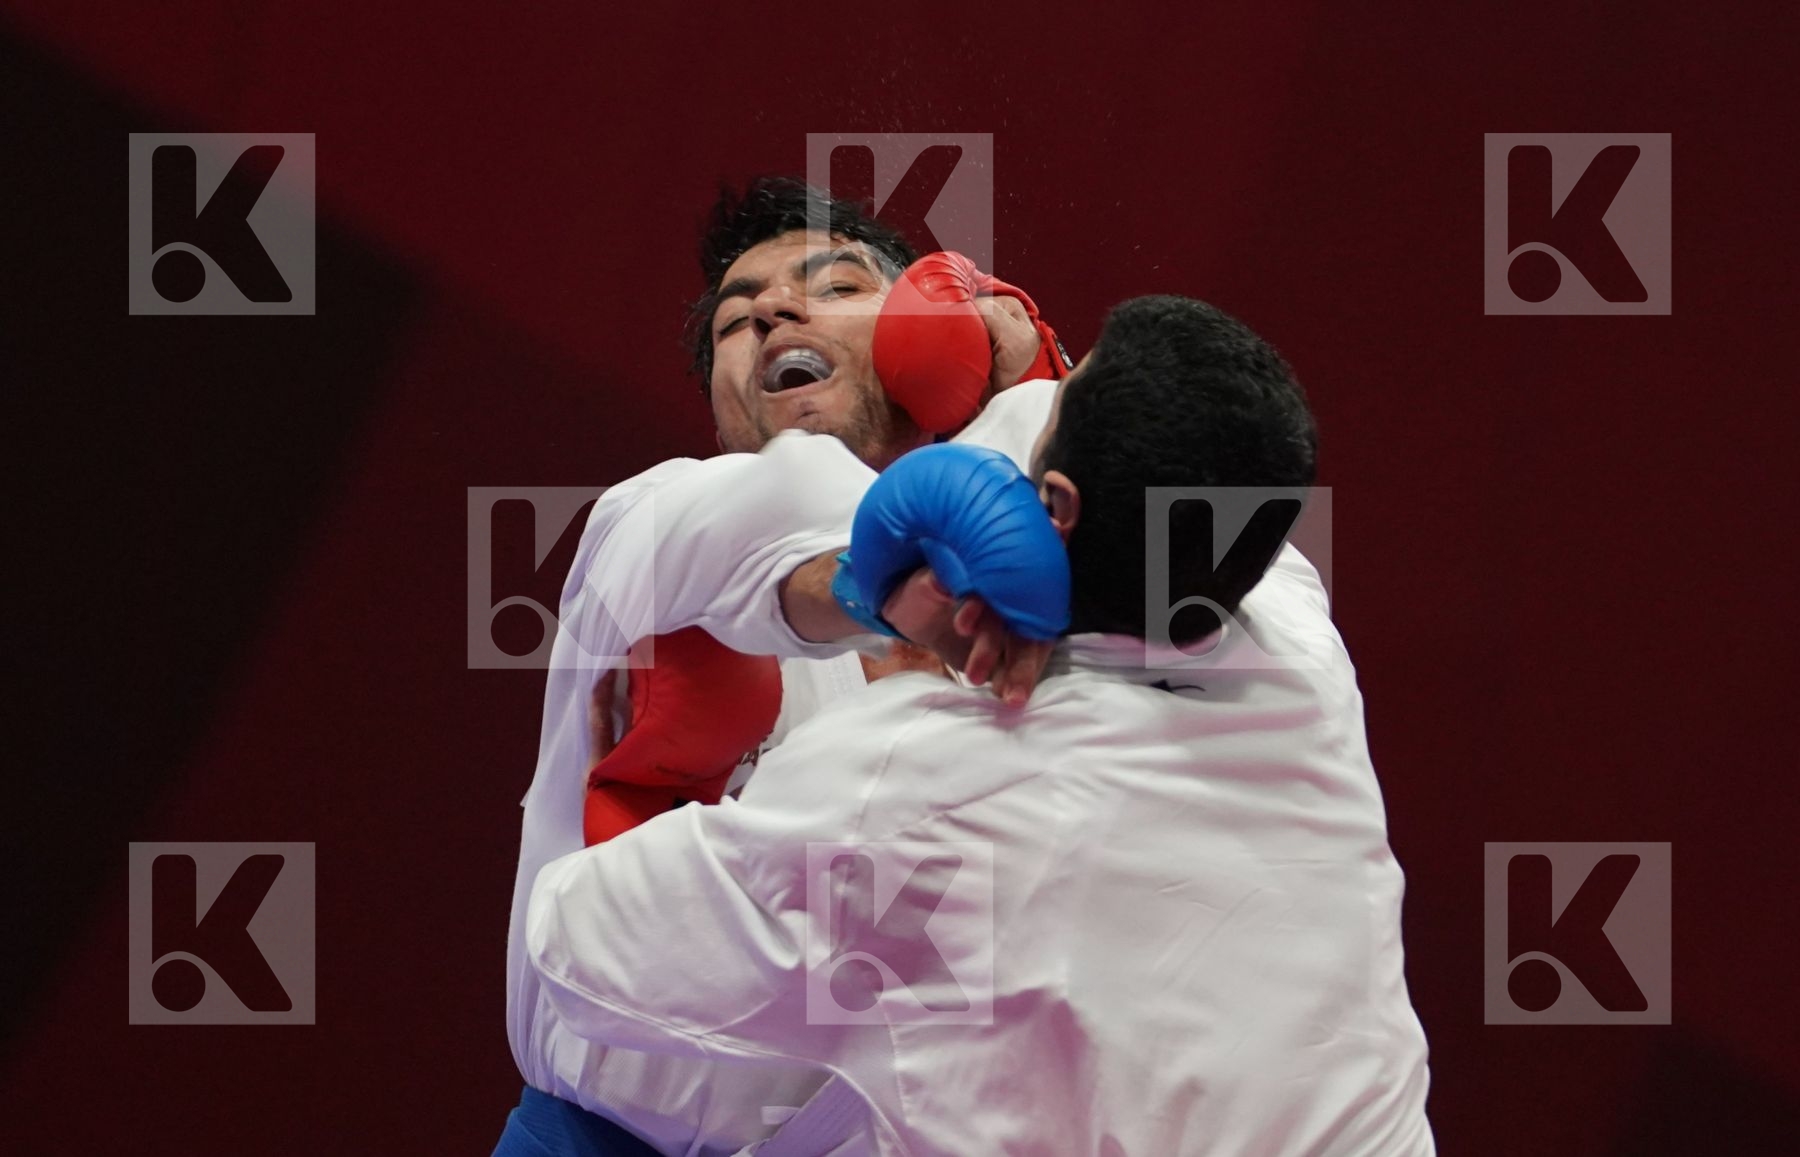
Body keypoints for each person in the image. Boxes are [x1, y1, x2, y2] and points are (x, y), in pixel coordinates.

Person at [524, 295, 1437, 1155]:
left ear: (1056, 506)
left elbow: (578, 953)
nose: (779, 311)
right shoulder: (1301, 640)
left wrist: (660, 786)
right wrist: (1022, 374)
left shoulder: (922, 778)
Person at [498, 177, 1071, 1155]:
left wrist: (1033, 382)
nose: (771, 309)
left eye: (836, 286)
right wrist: (913, 573)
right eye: (735, 320)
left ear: (929, 337)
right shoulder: (654, 523)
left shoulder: (1056, 600)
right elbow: (770, 529)